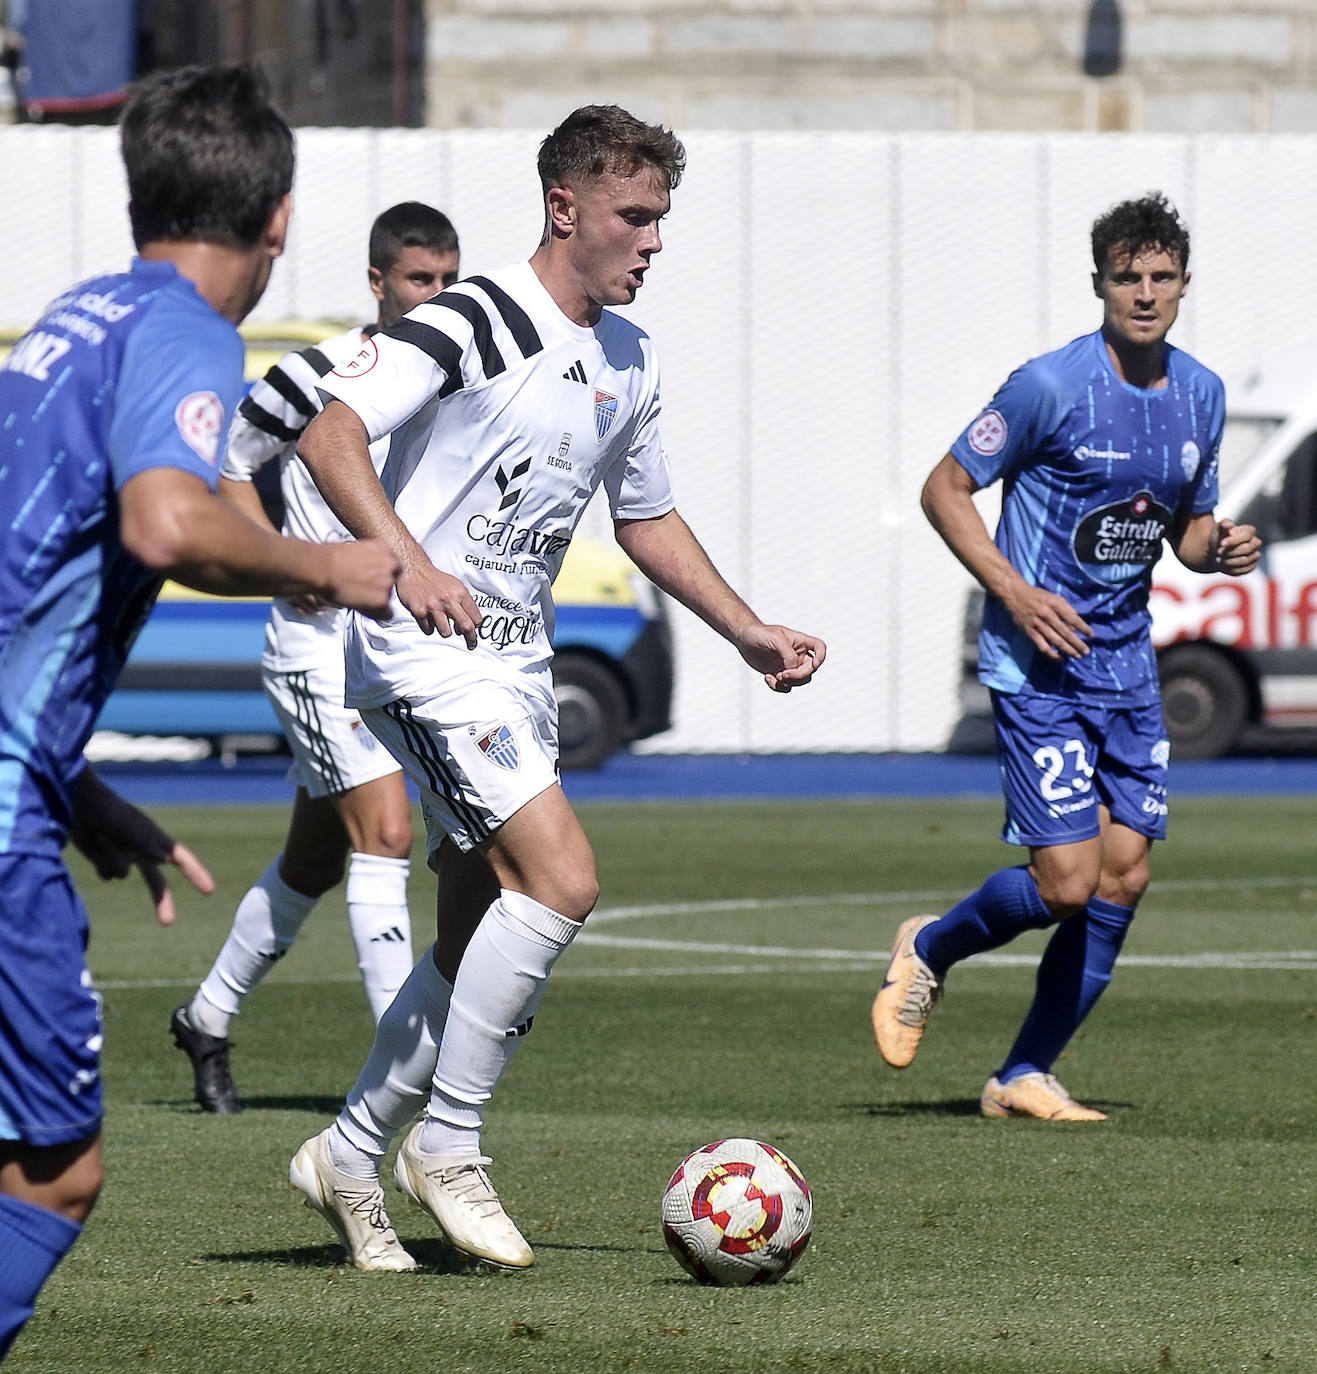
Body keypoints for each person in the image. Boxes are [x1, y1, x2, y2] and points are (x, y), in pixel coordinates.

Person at [285, 103, 827, 1273]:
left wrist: (744, 629)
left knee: (481, 917)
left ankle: (350, 1146)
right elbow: (331, 437)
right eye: (635, 216)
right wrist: (410, 562)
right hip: (424, 658)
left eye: (663, 218)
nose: (654, 241)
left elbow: (646, 518)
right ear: (564, 207)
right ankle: (451, 1143)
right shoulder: (471, 318)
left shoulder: (628, 357)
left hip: (514, 669)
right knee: (564, 878)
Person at [0, 63, 399, 1358]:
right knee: (53, 1170)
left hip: (22, 786)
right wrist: (329, 563)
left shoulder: (79, 316)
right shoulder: (185, 333)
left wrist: (83, 790)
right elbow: (168, 519)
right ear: (277, 217)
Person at [871, 192, 1261, 1120]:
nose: (1143, 292)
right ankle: (929, 948)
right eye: (1126, 276)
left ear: (1183, 285)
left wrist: (1222, 548)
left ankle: (1022, 1074)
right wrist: (1014, 590)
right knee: (1067, 881)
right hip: (1038, 664)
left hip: (1127, 666)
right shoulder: (1048, 385)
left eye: (1160, 277)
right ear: (1098, 283)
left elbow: (1187, 532)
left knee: (1124, 874)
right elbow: (945, 487)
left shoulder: (1201, 395)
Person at [169, 203, 461, 1116]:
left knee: (313, 858)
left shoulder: (449, 375)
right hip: (313, 647)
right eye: (421, 281)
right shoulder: (317, 373)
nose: (437, 298)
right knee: (388, 833)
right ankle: (406, 1065)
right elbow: (225, 461)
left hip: (389, 645)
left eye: (450, 282)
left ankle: (205, 1018)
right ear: (378, 282)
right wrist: (276, 562)